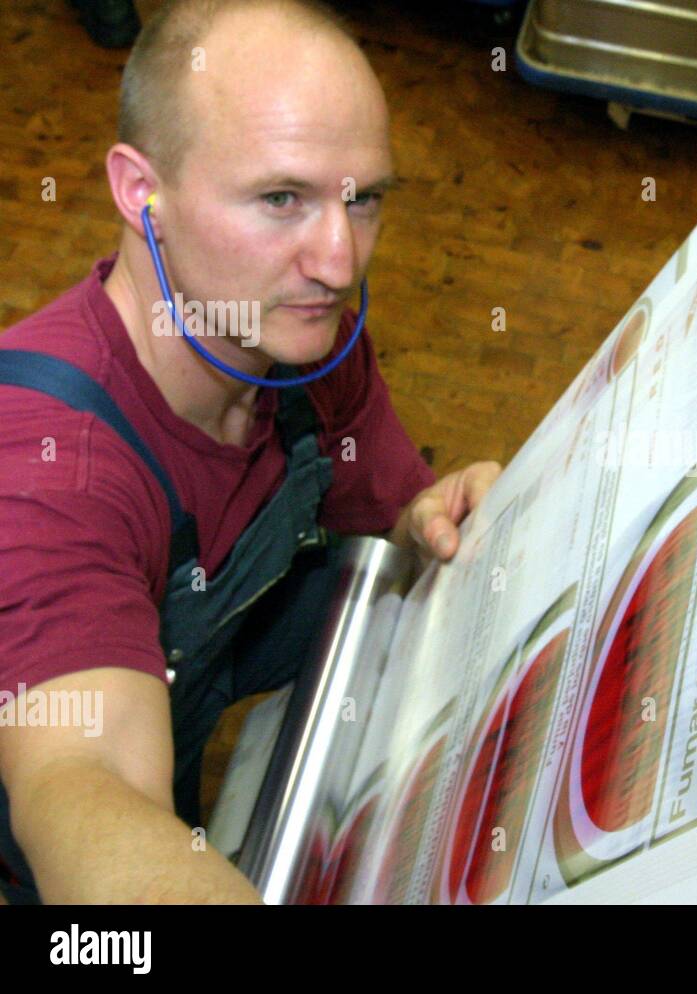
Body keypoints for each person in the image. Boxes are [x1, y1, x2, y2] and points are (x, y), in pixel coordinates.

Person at [0, 0, 502, 904]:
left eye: (365, 200)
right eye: (282, 199)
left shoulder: (298, 342)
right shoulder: (46, 467)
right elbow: (87, 786)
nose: (340, 262)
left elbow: (386, 517)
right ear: (135, 189)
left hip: (187, 678)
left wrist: (430, 519)